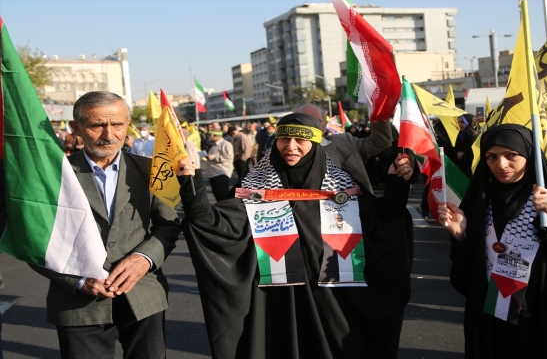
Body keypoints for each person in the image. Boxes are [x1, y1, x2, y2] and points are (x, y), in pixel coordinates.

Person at [176, 113, 414, 358]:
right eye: (284, 139)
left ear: (315, 143)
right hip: (275, 312)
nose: (290, 147)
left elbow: (383, 224)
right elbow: (215, 227)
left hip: (334, 310)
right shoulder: (255, 191)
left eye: (300, 140)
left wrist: (397, 184)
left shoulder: (343, 191)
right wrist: (191, 187)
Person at [29, 91, 182, 359]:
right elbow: (33, 240)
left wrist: (144, 259)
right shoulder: (51, 178)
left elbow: (169, 225)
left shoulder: (152, 170)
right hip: (78, 304)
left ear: (128, 125)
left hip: (143, 295)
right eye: (97, 125)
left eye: (117, 125)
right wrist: (76, 280)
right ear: (76, 128)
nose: (109, 135)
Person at [438, 124, 547, 358]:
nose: (501, 165)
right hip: (494, 318)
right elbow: (466, 278)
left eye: (511, 155)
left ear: (529, 155)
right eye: (491, 157)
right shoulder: (480, 203)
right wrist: (461, 236)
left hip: (546, 317)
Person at [294, 104, 392, 194]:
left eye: (317, 120)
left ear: (325, 124)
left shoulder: (345, 142)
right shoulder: (285, 151)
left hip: (355, 208)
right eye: (304, 120)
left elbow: (380, 142)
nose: (311, 125)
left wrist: (378, 110)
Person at [205, 130, 234, 202]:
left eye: (210, 135)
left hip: (221, 172)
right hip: (213, 173)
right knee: (217, 194)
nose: (208, 137)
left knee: (222, 195)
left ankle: (225, 211)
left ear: (216, 136)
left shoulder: (226, 144)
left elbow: (229, 157)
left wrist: (214, 157)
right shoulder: (214, 144)